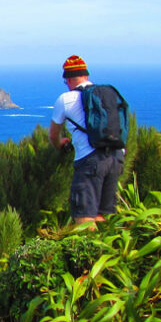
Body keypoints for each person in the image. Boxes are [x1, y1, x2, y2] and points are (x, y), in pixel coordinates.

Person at [48, 55, 125, 228]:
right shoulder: (108, 94)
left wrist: (60, 144)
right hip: (116, 156)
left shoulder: (66, 99)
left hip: (90, 160)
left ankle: (89, 246)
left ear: (68, 80)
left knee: (84, 216)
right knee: (101, 214)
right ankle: (105, 243)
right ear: (86, 76)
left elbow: (53, 135)